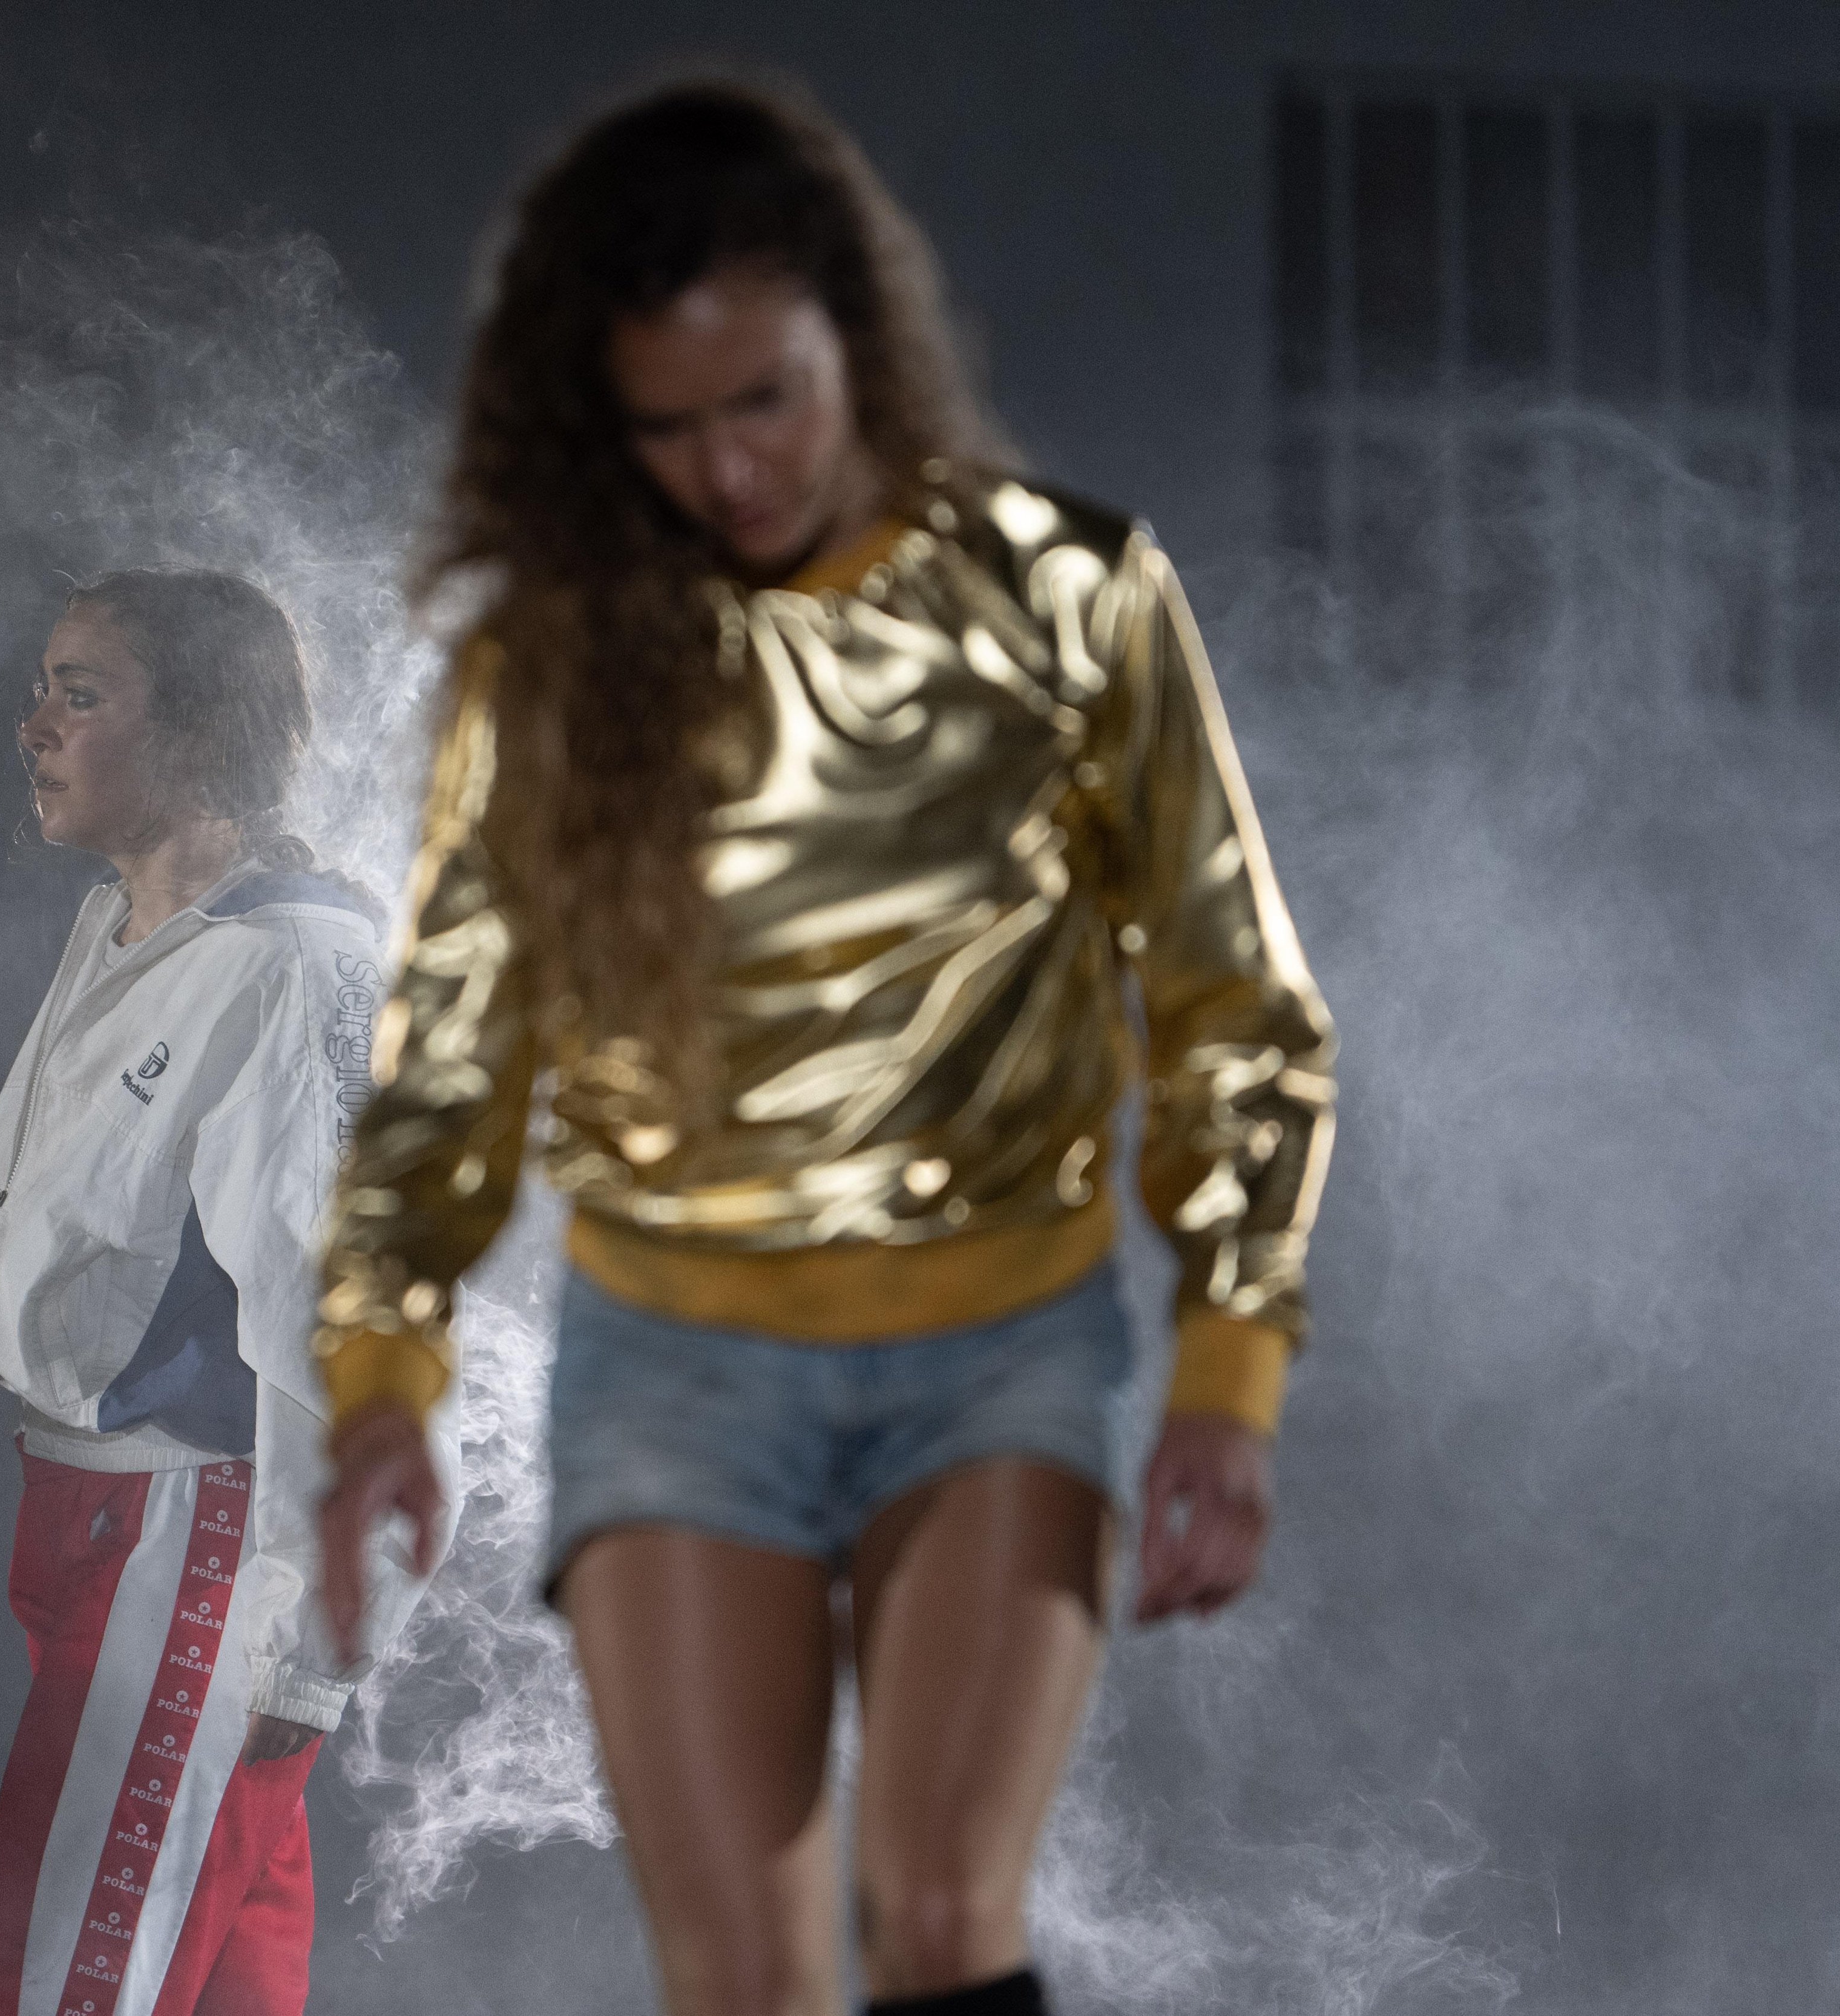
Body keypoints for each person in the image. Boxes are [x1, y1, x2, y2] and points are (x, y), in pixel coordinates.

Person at [311, 82, 1339, 2016]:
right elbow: (451, 1051)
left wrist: (1232, 1367)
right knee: (747, 1978)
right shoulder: (544, 669)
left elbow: (1231, 1000)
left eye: (764, 398)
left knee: (948, 1923)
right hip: (678, 1355)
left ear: (857, 340)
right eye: (669, 427)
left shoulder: (1072, 594)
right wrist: (382, 1370)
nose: (730, 467)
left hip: (997, 1347)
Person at [0, 568, 452, 2016]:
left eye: (80, 694)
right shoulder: (120, 924)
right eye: (42, 685)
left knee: (52, 1995)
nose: (32, 723)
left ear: (198, 728)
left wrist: (309, 1649)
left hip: (199, 1545)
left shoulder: (298, 962)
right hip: (101, 1521)